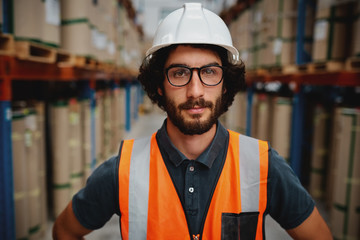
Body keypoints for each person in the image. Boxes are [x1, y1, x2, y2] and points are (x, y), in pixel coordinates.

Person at [53, 3, 333, 240]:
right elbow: (64, 231)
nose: (195, 91)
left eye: (209, 72)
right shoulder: (122, 172)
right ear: (159, 85)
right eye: (179, 73)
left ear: (225, 84)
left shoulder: (262, 165)